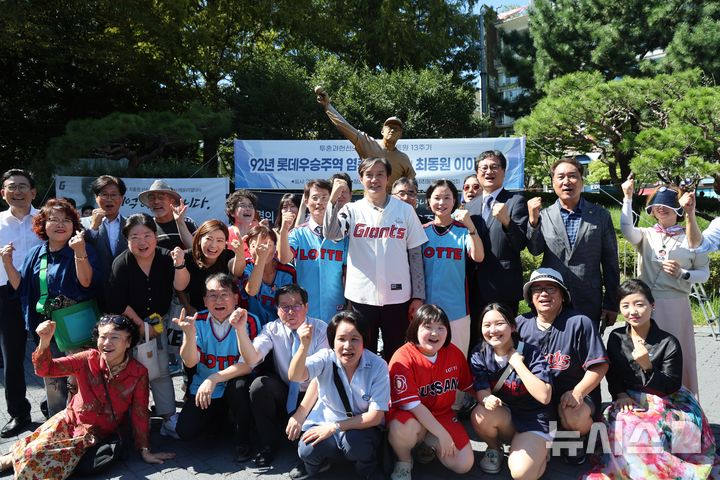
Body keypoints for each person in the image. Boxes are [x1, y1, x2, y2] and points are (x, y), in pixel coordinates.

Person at [0, 315, 174, 479]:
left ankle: (15, 459)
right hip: (68, 421)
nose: (106, 343)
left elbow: (140, 412)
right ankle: (10, 458)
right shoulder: (87, 358)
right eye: (102, 336)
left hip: (95, 435)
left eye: (114, 337)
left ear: (128, 342)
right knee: (34, 451)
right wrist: (44, 342)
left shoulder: (138, 372)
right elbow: (46, 370)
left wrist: (145, 450)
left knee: (34, 463)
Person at [584, 279, 718, 480]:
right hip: (629, 397)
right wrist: (620, 394)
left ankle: (662, 472)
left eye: (639, 304)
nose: (633, 311)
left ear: (652, 306)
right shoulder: (616, 337)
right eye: (626, 306)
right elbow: (613, 374)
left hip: (669, 400)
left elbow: (672, 385)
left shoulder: (668, 342)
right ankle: (639, 470)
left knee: (655, 427)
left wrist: (647, 365)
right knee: (622, 422)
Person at [2, 197, 99, 417]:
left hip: (77, 328)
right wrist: (7, 264)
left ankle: (84, 423)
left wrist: (80, 252)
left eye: (66, 220)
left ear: (74, 225)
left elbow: (86, 283)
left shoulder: (82, 248)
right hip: (47, 329)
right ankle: (58, 425)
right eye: (53, 219)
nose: (59, 224)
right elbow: (21, 288)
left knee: (79, 379)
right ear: (42, 225)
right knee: (53, 381)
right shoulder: (36, 254)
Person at [324, 157, 428, 360]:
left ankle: (396, 391)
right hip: (361, 296)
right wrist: (332, 200)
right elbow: (332, 233)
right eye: (369, 175)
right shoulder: (351, 210)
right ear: (361, 179)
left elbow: (415, 255)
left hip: (398, 297)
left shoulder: (404, 210)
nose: (374, 180)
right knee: (363, 352)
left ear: (388, 178)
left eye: (380, 174)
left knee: (397, 352)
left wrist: (418, 295)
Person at [620, 175, 708, 395]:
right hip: (646, 305)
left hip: (677, 305)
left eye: (667, 206)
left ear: (678, 210)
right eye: (657, 206)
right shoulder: (646, 234)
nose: (661, 209)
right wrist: (628, 197)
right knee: (646, 351)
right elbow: (626, 230)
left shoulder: (692, 237)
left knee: (680, 353)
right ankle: (646, 396)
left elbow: (703, 274)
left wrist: (683, 274)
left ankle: (683, 399)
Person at [105, 213, 190, 436]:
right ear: (127, 239)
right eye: (135, 237)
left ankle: (168, 418)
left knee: (160, 370)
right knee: (130, 371)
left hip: (158, 322)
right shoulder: (121, 263)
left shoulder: (164, 257)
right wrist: (141, 327)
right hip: (129, 325)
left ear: (156, 236)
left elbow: (180, 285)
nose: (142, 242)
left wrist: (179, 264)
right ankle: (128, 418)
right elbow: (117, 301)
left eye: (147, 235)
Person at [516, 268, 609, 464]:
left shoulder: (579, 322)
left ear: (563, 296)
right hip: (537, 399)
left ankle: (580, 436)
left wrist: (578, 391)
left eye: (551, 288)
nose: (543, 294)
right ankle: (547, 439)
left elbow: (599, 366)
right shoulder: (520, 324)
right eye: (537, 289)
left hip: (573, 397)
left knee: (572, 415)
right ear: (529, 297)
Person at [288, 310, 390, 480]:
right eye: (341, 339)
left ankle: (367, 469)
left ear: (364, 341)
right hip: (325, 422)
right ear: (332, 342)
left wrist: (334, 427)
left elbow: (374, 417)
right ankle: (318, 466)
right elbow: (295, 375)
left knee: (356, 444)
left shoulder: (378, 366)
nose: (348, 346)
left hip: (360, 429)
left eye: (355, 339)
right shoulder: (325, 358)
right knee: (306, 449)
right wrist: (303, 346)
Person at [235, 284, 328, 468]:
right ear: (277, 310)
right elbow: (252, 357)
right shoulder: (271, 329)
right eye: (284, 306)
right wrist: (239, 330)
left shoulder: (320, 328)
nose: (291, 312)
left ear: (307, 307)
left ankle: (307, 454)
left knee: (306, 445)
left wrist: (301, 413)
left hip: (313, 393)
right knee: (259, 385)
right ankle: (268, 445)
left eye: (296, 305)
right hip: (286, 389)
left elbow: (322, 376)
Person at [173, 274, 260, 463]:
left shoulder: (249, 320)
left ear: (236, 298)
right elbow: (190, 362)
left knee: (238, 386)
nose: (218, 300)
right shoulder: (198, 321)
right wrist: (188, 335)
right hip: (205, 388)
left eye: (224, 294)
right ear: (204, 300)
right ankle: (221, 420)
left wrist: (214, 378)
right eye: (212, 295)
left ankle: (242, 440)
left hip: (231, 383)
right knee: (185, 431)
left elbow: (248, 364)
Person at [527, 156, 619, 331]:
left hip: (588, 298)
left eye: (572, 176)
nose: (566, 181)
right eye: (560, 177)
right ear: (553, 182)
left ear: (582, 181)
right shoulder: (544, 215)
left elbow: (610, 262)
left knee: (588, 353)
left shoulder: (600, 215)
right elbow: (534, 250)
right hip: (552, 299)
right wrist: (533, 222)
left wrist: (611, 303)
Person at [387, 305, 475, 480]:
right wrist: (443, 434)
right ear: (415, 327)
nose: (435, 333)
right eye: (428, 327)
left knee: (463, 463)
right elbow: (414, 406)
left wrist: (489, 403)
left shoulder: (453, 353)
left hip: (442, 415)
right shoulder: (403, 357)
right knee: (403, 428)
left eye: (440, 327)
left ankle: (428, 442)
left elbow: (470, 387)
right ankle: (404, 460)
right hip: (410, 417)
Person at [470, 303, 553, 478]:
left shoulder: (531, 352)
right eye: (487, 325)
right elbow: (481, 390)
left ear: (512, 326)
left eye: (499, 323)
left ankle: (541, 450)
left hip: (534, 420)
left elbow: (544, 396)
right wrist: (486, 399)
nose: (493, 330)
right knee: (479, 414)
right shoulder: (479, 353)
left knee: (521, 473)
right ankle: (495, 449)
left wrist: (517, 364)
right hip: (507, 417)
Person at [466, 150, 529, 349]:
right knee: (476, 340)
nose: (489, 172)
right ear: (477, 173)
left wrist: (506, 221)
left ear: (503, 172)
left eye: (494, 167)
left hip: (503, 286)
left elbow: (521, 244)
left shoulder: (515, 201)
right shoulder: (470, 206)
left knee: (504, 341)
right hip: (474, 288)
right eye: (483, 168)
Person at [0, 169, 41, 437]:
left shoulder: (46, 219)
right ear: (3, 193)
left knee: (50, 350)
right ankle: (18, 412)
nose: (17, 191)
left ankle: (55, 403)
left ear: (33, 192)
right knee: (12, 356)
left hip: (42, 293)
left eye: (23, 186)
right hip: (6, 294)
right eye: (12, 187)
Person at [422, 179, 484, 356]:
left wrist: (471, 226)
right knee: (428, 359)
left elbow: (478, 256)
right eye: (437, 198)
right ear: (428, 201)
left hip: (457, 309)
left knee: (457, 359)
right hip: (426, 309)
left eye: (447, 198)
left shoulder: (463, 231)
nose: (441, 203)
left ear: (455, 201)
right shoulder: (422, 231)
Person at [316, 86, 415, 192]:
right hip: (370, 204)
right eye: (389, 127)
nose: (392, 130)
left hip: (394, 205)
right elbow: (344, 126)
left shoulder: (404, 159)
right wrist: (327, 106)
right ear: (382, 131)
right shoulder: (368, 143)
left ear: (400, 135)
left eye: (396, 129)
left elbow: (411, 186)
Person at [278, 179, 348, 323]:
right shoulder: (298, 233)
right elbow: (284, 258)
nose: (319, 203)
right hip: (305, 312)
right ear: (306, 201)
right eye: (315, 198)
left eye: (324, 198)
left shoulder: (343, 235)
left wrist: (350, 306)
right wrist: (284, 230)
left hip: (336, 310)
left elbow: (349, 274)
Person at [177, 219, 245, 315]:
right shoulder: (186, 257)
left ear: (225, 243)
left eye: (219, 240)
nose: (213, 245)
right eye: (209, 239)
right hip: (193, 312)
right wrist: (188, 307)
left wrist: (240, 254)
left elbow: (237, 272)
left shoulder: (229, 256)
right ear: (199, 239)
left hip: (222, 312)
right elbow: (179, 288)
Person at [82, 175, 129, 307]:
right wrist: (94, 228)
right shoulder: (82, 224)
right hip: (92, 292)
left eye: (114, 195)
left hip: (125, 292)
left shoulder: (130, 225)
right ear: (96, 198)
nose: (109, 199)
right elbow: (81, 251)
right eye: (104, 194)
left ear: (122, 199)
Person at [241, 225, 297, 325]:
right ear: (249, 249)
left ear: (275, 248)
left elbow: (292, 303)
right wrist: (260, 259)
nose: (262, 248)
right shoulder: (246, 266)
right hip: (252, 327)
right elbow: (252, 291)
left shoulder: (287, 270)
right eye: (255, 246)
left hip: (281, 327)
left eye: (267, 244)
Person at [138, 179, 197, 250]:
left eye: (161, 198)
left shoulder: (188, 223)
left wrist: (180, 222)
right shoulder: (147, 226)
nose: (156, 201)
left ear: (172, 201)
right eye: (152, 198)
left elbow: (196, 251)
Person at [225, 188, 259, 258]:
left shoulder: (259, 234)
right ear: (232, 212)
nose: (248, 208)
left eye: (250, 206)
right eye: (243, 205)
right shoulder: (225, 234)